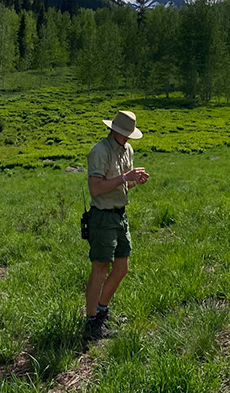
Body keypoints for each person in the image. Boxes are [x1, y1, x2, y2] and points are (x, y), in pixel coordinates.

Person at [84, 110, 149, 339]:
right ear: (113, 130)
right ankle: (91, 321)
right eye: (124, 134)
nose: (127, 138)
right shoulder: (99, 152)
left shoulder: (127, 150)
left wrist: (133, 181)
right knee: (100, 267)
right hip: (102, 217)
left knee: (122, 268)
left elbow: (123, 186)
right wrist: (124, 177)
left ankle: (102, 310)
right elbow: (96, 188)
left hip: (120, 215)